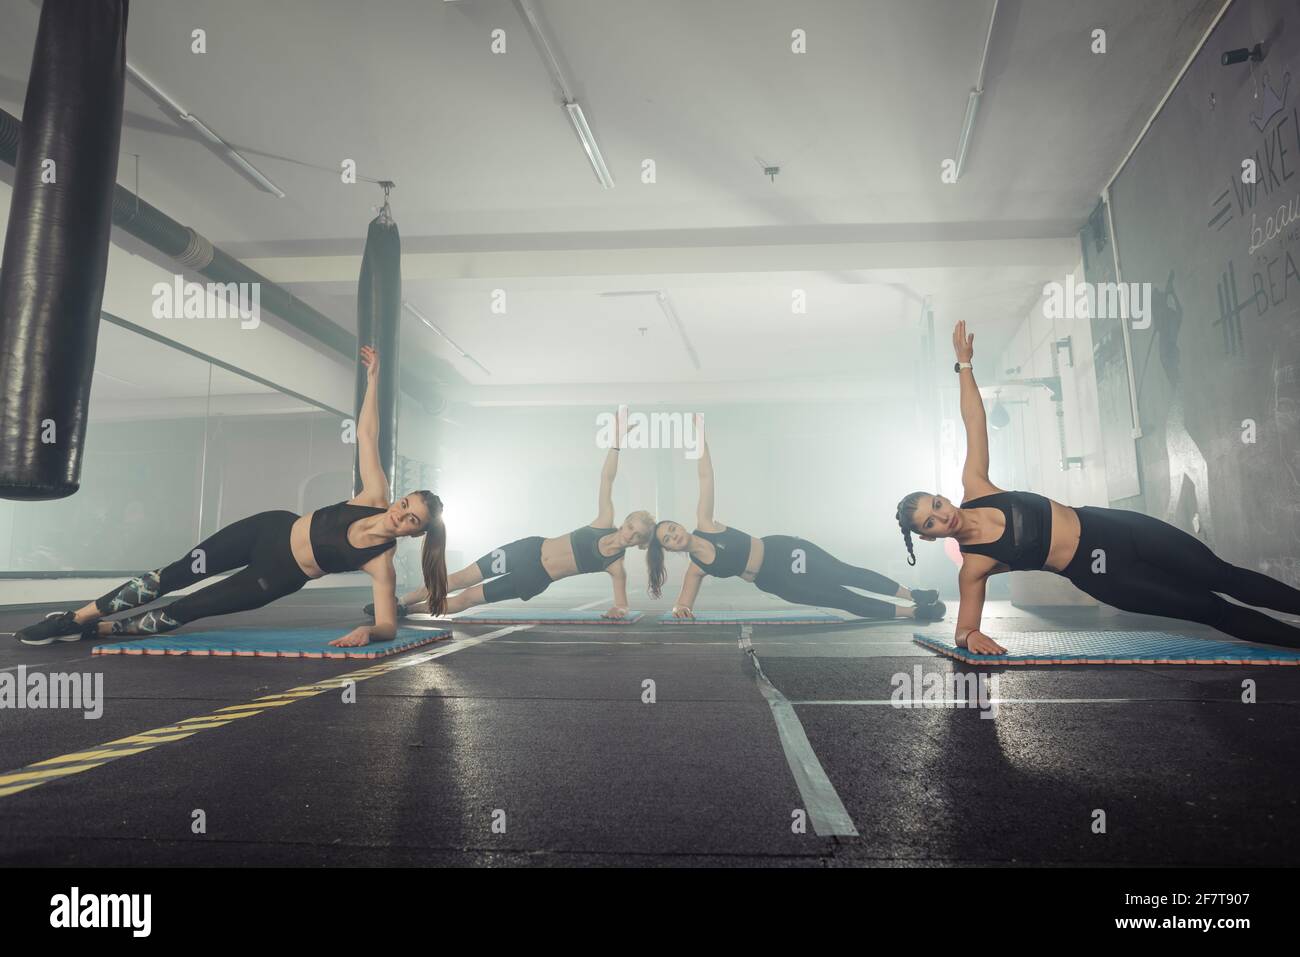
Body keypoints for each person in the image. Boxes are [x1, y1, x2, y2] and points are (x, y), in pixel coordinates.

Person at [895, 321, 1300, 653]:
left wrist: (964, 365)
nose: (941, 515)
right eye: (929, 523)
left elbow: (974, 423)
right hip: (1106, 575)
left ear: (943, 495)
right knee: (1211, 609)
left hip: (1114, 527)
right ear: (929, 538)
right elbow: (964, 627)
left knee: (1221, 574)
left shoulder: (977, 485)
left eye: (935, 504)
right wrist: (970, 635)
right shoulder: (974, 567)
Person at [16, 346, 447, 649]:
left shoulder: (381, 563)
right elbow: (367, 434)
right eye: (405, 504)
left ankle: (99, 632)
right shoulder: (373, 494)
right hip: (268, 529)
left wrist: (367, 632)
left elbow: (388, 624)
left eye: (412, 520)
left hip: (276, 576)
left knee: (189, 609)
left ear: (414, 534)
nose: (400, 514)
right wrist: (373, 380)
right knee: (176, 573)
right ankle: (76, 618)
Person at [648, 419, 945, 621]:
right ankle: (915, 613)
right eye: (667, 539)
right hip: (774, 581)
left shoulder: (705, 522)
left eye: (672, 528)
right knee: (838, 599)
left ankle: (912, 594)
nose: (673, 536)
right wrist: (679, 608)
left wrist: (699, 437)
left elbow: (705, 477)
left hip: (784, 552)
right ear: (670, 549)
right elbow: (683, 603)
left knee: (844, 573)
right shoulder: (695, 570)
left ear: (680, 526)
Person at [387, 419, 653, 619]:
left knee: (468, 599)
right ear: (625, 521)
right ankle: (400, 601)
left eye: (638, 535)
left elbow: (621, 604)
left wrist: (619, 610)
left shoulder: (616, 567)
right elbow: (607, 478)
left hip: (533, 577)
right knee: (460, 578)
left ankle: (411, 611)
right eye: (631, 526)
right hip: (526, 550)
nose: (630, 534)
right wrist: (617, 442)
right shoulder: (604, 520)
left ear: (640, 544)